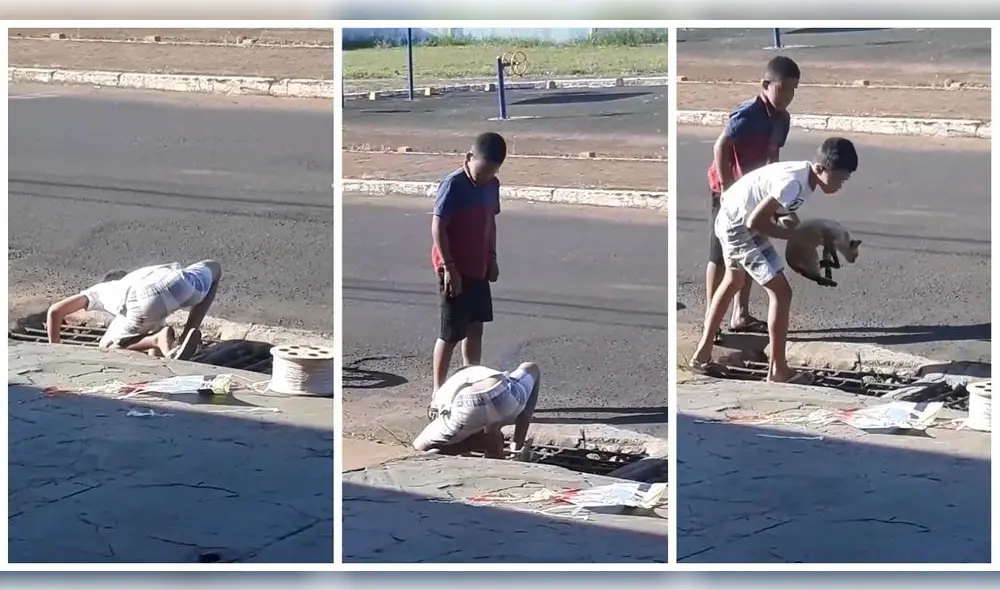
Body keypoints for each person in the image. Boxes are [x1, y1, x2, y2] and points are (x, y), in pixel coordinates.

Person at [690, 137, 859, 384]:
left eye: (846, 179)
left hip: (732, 218)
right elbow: (755, 222)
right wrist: (797, 235)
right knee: (781, 293)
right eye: (840, 177)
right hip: (739, 226)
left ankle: (702, 355)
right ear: (821, 168)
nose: (842, 183)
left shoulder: (805, 178)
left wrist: (803, 233)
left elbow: (783, 211)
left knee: (733, 280)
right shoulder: (794, 182)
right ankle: (778, 370)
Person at [705, 56, 801, 341]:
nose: (787, 96)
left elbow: (774, 158)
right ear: (766, 85)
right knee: (720, 257)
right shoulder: (748, 113)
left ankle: (741, 314)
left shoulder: (782, 119)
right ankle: (714, 319)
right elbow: (721, 147)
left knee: (748, 252)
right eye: (782, 89)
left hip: (754, 195)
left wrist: (776, 196)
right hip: (727, 191)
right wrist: (726, 189)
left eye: (793, 90)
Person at [430, 132, 506, 394]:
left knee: (476, 327)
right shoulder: (453, 184)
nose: (485, 177)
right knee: (451, 332)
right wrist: (450, 268)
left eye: (491, 171)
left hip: (479, 267)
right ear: (469, 158)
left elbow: (491, 223)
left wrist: (492, 257)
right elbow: (438, 226)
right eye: (482, 170)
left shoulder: (492, 185)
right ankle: (438, 392)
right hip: (453, 269)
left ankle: (471, 382)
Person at [46, 260, 223, 360]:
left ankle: (159, 339)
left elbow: (55, 311)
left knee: (106, 345)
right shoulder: (137, 275)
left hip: (143, 296)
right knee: (215, 268)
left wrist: (56, 351)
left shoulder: (102, 290)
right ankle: (184, 337)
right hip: (180, 281)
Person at [413, 362, 541, 459]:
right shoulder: (476, 374)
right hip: (503, 395)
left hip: (466, 405)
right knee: (531, 367)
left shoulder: (443, 397)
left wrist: (467, 447)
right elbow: (487, 412)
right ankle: (516, 448)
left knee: (417, 449)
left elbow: (467, 423)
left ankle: (483, 443)